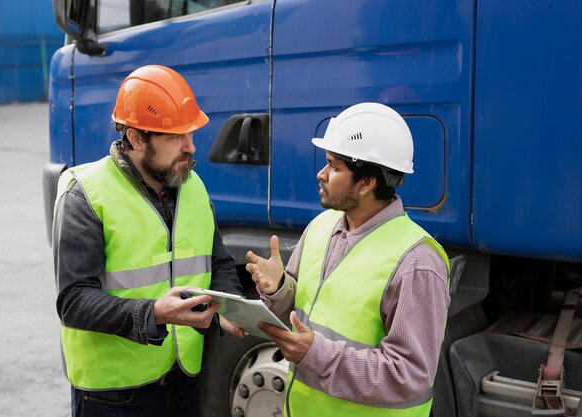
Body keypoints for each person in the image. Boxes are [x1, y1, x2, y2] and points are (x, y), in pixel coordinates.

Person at [52, 64, 244, 417]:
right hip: (112, 396)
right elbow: (74, 301)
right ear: (136, 138)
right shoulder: (86, 195)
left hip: (182, 379)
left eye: (190, 133)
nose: (190, 147)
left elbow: (217, 262)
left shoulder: (193, 185)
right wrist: (154, 314)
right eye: (175, 137)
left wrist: (232, 306)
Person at [246, 102, 450, 417]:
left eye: (334, 166)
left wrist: (317, 354)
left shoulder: (416, 262)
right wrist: (279, 289)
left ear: (366, 182)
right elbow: (303, 316)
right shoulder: (321, 226)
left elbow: (409, 375)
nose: (321, 174)